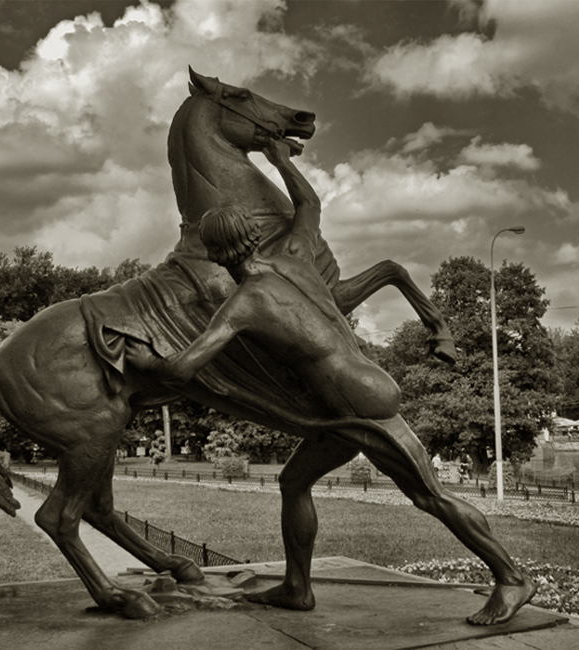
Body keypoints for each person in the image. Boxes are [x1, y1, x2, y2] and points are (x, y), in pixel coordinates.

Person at [126, 137, 535, 626]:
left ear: (214, 256)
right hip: (343, 401)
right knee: (293, 481)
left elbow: (183, 370)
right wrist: (279, 161)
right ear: (254, 236)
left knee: (429, 494)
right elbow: (308, 204)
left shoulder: (242, 305)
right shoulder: (295, 257)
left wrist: (141, 355)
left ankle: (511, 578)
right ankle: (297, 588)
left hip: (357, 401)